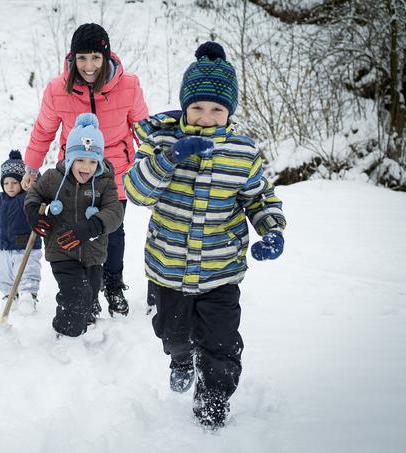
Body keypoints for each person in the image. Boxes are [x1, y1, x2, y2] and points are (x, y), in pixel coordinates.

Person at [123, 42, 287, 429]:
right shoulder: (160, 143)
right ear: (184, 107)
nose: (207, 117)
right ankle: (180, 358)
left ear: (229, 112)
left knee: (222, 345)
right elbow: (136, 191)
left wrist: (271, 227)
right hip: (170, 268)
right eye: (197, 107)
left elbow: (258, 197)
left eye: (217, 109)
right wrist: (171, 158)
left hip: (221, 270)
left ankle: (212, 401)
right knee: (173, 335)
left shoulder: (243, 152)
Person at [22, 23, 148, 318]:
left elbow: (143, 128)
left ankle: (113, 284)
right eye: (82, 58)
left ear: (106, 57)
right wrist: (32, 166)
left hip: (115, 172)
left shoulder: (129, 85)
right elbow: (43, 130)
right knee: (75, 229)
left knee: (112, 230)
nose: (89, 66)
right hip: (73, 174)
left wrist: (154, 163)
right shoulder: (57, 89)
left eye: (95, 57)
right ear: (72, 58)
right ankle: (85, 290)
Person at [24, 113, 124, 337]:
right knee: (77, 295)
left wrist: (92, 227)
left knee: (89, 295)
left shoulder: (105, 182)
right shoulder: (52, 178)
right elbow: (34, 194)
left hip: (94, 253)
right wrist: (32, 211)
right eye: (80, 159)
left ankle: (85, 312)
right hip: (61, 248)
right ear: (69, 158)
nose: (86, 167)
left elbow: (115, 211)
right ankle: (65, 332)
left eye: (92, 161)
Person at [0, 150, 43, 315]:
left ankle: (28, 295)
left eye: (14, 183)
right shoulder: (0, 198)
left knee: (28, 271)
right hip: (4, 247)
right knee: (2, 274)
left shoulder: (27, 197)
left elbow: (40, 189)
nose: (10, 187)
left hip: (26, 245)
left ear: (22, 182)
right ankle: (10, 295)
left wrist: (33, 178)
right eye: (6, 183)